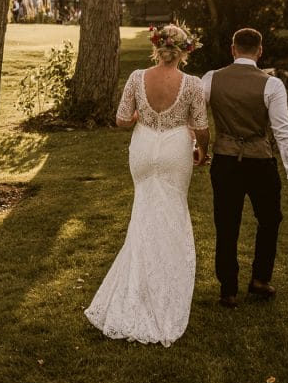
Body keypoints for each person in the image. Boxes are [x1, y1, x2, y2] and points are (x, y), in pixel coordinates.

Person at [85, 24, 209, 347]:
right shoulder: (193, 84)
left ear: (157, 47)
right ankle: (165, 286)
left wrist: (139, 117)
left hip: (142, 149)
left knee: (143, 215)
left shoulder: (137, 77)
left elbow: (121, 119)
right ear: (184, 50)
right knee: (173, 214)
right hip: (175, 150)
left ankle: (138, 286)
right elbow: (201, 126)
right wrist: (203, 150)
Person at [200, 28, 288, 309]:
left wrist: (198, 148)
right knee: (270, 219)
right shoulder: (272, 85)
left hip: (225, 161)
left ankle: (228, 289)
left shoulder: (211, 78)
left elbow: (196, 119)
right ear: (260, 51)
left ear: (233, 49)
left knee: (226, 223)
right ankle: (260, 278)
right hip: (260, 162)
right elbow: (283, 131)